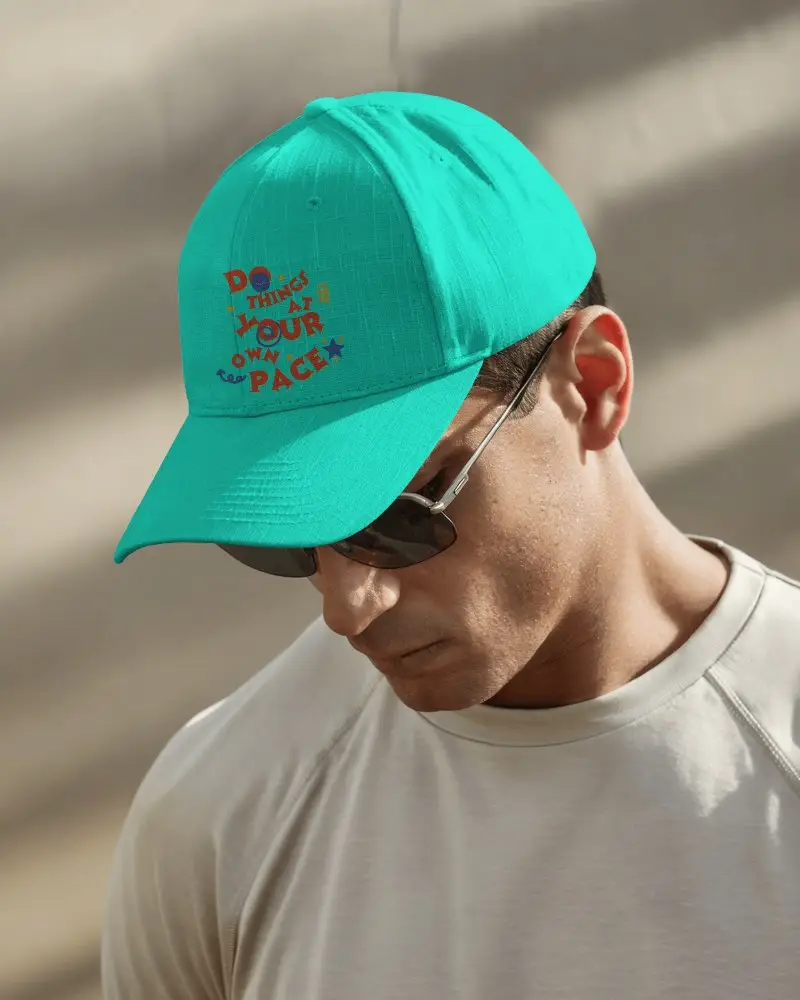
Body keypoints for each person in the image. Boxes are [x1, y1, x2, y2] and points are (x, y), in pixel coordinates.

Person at [102, 92, 800, 999]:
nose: (346, 604)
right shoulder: (217, 814)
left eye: (401, 512)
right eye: (285, 538)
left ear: (592, 386)